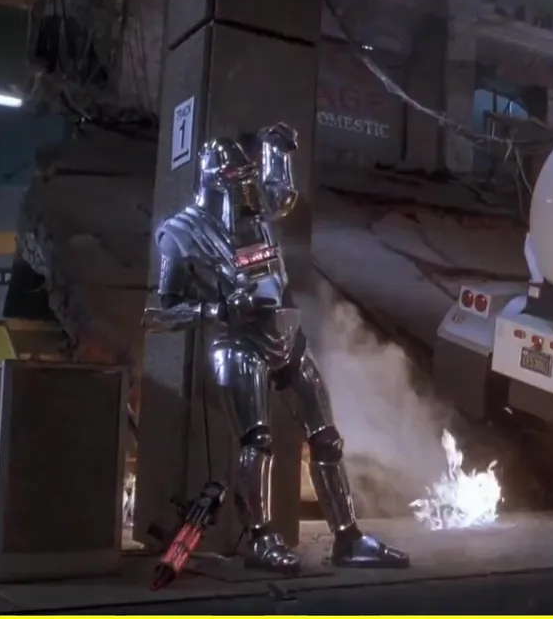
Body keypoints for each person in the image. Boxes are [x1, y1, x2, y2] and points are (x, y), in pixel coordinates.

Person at [143, 124, 409, 572]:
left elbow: (280, 194)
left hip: (286, 335)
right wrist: (217, 309)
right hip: (236, 343)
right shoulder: (181, 233)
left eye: (247, 178)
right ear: (214, 180)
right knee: (257, 441)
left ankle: (348, 538)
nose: (246, 190)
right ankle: (261, 540)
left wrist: (278, 150)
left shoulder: (253, 213)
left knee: (326, 437)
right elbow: (159, 312)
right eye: (236, 179)